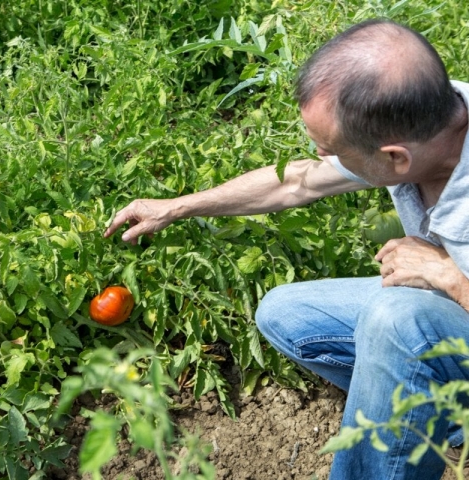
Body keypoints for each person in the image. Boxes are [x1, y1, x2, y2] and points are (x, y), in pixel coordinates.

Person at [103, 18, 469, 480]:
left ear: (396, 158)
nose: (321, 157)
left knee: (394, 318)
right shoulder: (423, 122)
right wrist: (178, 207)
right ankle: (445, 417)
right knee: (286, 313)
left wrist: (450, 277)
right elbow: (298, 181)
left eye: (330, 149)